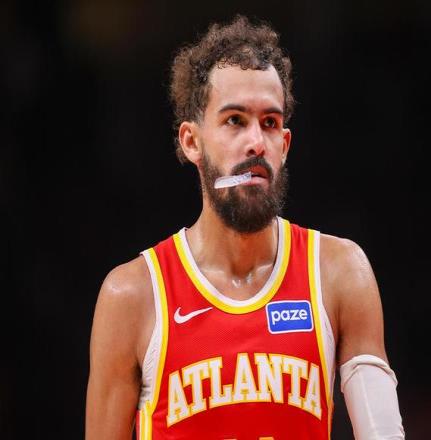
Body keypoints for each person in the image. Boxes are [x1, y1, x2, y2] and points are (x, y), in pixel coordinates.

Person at [86, 15, 405, 440]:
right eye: (235, 120)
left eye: (270, 123)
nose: (256, 142)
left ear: (284, 146)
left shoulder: (339, 272)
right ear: (191, 141)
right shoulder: (131, 296)